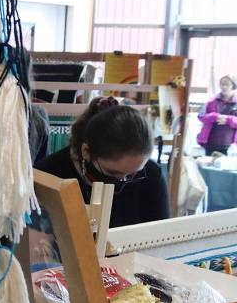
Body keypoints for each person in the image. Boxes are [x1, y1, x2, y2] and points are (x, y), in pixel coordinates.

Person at [35, 97, 169, 227]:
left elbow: (162, 237)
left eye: (134, 175)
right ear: (86, 151)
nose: (123, 182)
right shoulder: (48, 176)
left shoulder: (151, 174)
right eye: (112, 172)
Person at [197, 75, 237, 156]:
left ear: (233, 86)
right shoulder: (212, 101)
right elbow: (201, 116)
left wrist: (228, 120)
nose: (224, 87)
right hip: (210, 143)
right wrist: (213, 117)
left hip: (231, 147)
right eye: (222, 84)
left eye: (227, 84)